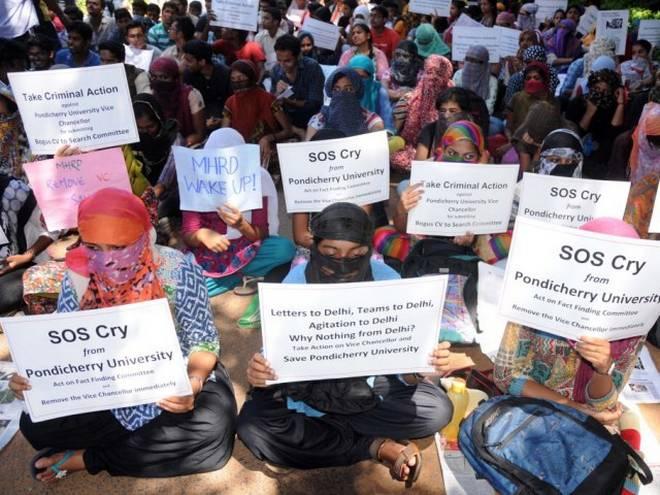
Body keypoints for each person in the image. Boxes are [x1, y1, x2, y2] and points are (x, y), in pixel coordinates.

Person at [11, 187, 237, 482]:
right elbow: (62, 346)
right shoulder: (77, 278)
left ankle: (86, 458)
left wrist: (192, 384)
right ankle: (131, 446)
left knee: (213, 426)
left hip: (169, 383)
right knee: (34, 424)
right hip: (104, 388)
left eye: (119, 247)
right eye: (94, 247)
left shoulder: (177, 270)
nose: (107, 259)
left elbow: (203, 341)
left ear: (143, 235)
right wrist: (32, 378)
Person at [237, 202, 454, 486]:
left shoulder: (387, 279)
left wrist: (421, 366)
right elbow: (278, 356)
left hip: (369, 389)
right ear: (315, 247)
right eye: (330, 253)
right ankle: (374, 446)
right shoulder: (294, 283)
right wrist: (261, 373)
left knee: (437, 410)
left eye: (356, 254)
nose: (343, 261)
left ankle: (333, 434)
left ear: (369, 250)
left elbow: (404, 369)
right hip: (308, 393)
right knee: (254, 428)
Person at [493, 218, 646, 432]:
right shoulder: (536, 296)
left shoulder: (631, 315)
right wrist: (575, 409)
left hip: (585, 423)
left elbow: (603, 405)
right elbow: (506, 376)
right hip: (530, 411)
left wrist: (603, 368)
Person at [181, 128, 295, 297]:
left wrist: (241, 225)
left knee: (284, 249)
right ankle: (234, 277)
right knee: (183, 285)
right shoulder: (196, 182)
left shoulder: (255, 178)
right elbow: (188, 234)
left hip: (247, 249)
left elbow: (261, 233)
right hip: (208, 254)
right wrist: (202, 235)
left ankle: (230, 277)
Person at [376, 121, 489, 263]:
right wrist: (401, 209)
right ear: (443, 150)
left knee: (508, 240)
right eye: (452, 153)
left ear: (480, 157)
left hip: (467, 247)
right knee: (381, 236)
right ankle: (444, 260)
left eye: (468, 156)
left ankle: (436, 261)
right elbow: (402, 227)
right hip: (426, 243)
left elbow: (488, 225)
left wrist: (473, 237)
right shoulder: (428, 171)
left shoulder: (489, 180)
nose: (458, 161)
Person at [222, 59, 293, 165]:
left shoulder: (268, 99)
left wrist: (267, 138)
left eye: (241, 78)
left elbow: (288, 130)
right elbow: (225, 133)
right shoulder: (230, 102)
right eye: (233, 79)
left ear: (251, 77)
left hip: (267, 150)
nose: (237, 82)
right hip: (240, 153)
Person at [390, 55, 454, 171]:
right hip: (414, 149)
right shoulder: (409, 99)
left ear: (446, 75)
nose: (433, 77)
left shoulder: (455, 100)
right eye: (429, 72)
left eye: (438, 73)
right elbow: (396, 131)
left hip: (449, 150)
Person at [565, 68, 626, 179]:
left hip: (602, 158)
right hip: (577, 154)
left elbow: (613, 134)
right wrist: (589, 113)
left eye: (605, 91)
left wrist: (621, 104)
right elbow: (575, 135)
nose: (600, 93)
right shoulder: (577, 103)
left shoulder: (613, 106)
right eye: (596, 88)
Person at [306, 67, 386, 140]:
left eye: (348, 89)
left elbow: (375, 148)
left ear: (357, 91)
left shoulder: (371, 120)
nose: (342, 94)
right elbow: (309, 149)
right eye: (336, 89)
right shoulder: (319, 120)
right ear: (330, 91)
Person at [414, 87, 490, 161]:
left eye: (453, 111)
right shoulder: (430, 130)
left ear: (465, 112)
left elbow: (482, 161)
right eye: (442, 110)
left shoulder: (474, 132)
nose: (446, 115)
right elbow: (420, 164)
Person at [271, 34, 324, 133]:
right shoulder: (275, 71)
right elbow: (273, 105)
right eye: (279, 60)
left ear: (298, 56)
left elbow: (314, 104)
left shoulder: (312, 68)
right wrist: (277, 95)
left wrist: (289, 101)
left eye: (287, 61)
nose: (282, 65)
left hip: (310, 120)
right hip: (286, 122)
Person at [149, 57, 206, 147]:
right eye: (154, 77)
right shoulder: (150, 96)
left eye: (164, 77)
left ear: (175, 78)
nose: (159, 81)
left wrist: (181, 146)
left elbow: (200, 134)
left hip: (188, 145)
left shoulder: (191, 95)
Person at [182, 40, 231, 132]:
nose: (185, 64)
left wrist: (222, 120)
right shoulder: (188, 75)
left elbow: (231, 104)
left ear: (202, 62)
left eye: (189, 61)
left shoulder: (225, 74)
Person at [506, 61, 557, 139]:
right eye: (528, 78)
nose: (531, 81)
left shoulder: (552, 102)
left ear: (544, 81)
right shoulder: (517, 98)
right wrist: (511, 141)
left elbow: (550, 134)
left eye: (536, 78)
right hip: (515, 143)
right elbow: (508, 128)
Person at [347, 55, 394, 132]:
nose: (358, 80)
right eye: (354, 76)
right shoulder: (344, 90)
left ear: (371, 77)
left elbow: (387, 122)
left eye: (362, 77)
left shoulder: (380, 91)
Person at [452, 45, 498, 115]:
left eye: (475, 61)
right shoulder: (458, 75)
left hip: (481, 116)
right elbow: (453, 99)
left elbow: (488, 109)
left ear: (484, 63)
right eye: (467, 59)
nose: (470, 64)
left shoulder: (492, 81)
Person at [255, 6, 287, 74]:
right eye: (262, 18)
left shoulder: (285, 37)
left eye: (266, 18)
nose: (262, 21)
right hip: (264, 71)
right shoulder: (259, 37)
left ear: (275, 22)